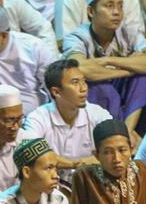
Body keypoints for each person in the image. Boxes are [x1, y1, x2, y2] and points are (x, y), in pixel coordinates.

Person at [61, 0, 146, 132]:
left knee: (143, 79)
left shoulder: (129, 32)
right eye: (109, 6)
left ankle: (126, 132)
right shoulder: (77, 37)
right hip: (96, 92)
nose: (116, 12)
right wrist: (130, 67)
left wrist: (107, 60)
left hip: (123, 88)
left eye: (120, 6)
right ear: (90, 11)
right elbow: (79, 68)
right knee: (102, 88)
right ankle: (114, 133)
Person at [20, 58, 112, 186]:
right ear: (56, 92)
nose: (84, 88)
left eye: (84, 81)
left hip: (93, 184)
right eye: (75, 83)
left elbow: (116, 142)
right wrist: (75, 164)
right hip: (51, 187)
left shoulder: (97, 114)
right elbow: (32, 152)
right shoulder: (38, 118)